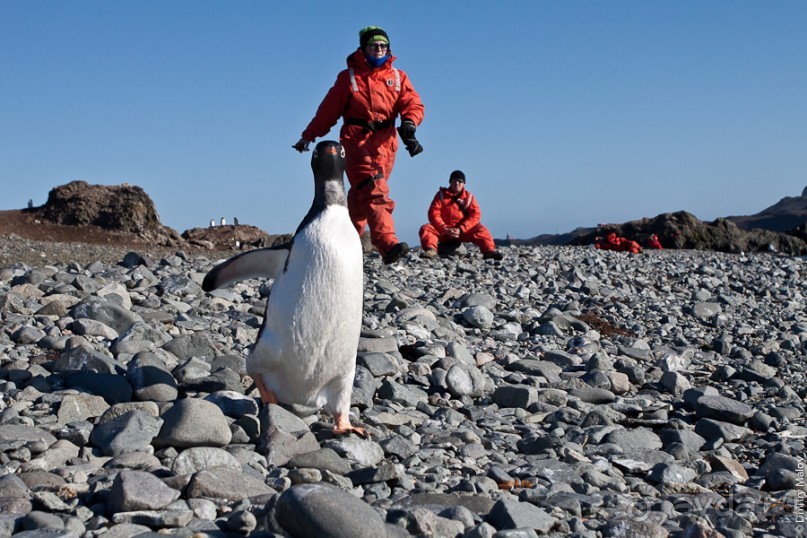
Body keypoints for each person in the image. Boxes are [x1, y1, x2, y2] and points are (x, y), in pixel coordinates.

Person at [292, 26, 425, 264]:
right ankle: (387, 244)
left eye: (383, 46)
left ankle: (342, 243)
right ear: (363, 49)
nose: (379, 49)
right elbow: (327, 111)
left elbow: (412, 103)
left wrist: (410, 122)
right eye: (374, 45)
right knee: (375, 190)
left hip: (386, 145)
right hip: (357, 142)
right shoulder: (349, 78)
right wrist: (308, 136)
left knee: (360, 198)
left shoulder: (398, 77)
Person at [418, 170, 503, 260]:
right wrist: (444, 228)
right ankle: (431, 250)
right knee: (426, 228)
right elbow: (433, 213)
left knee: (482, 230)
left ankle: (489, 251)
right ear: (450, 182)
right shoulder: (441, 195)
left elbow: (475, 215)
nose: (457, 183)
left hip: (463, 232)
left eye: (460, 181)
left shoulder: (469, 197)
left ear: (464, 183)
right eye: (454, 181)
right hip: (444, 231)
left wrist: (461, 229)